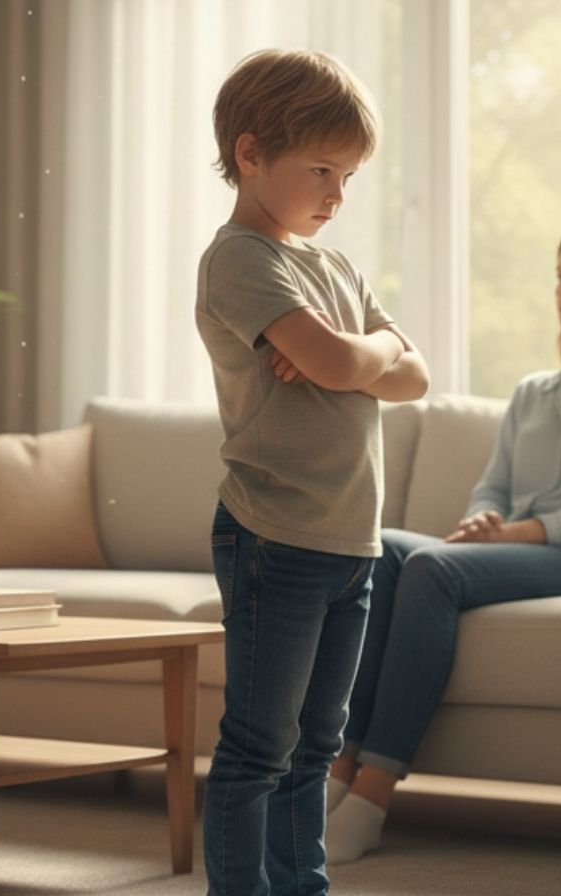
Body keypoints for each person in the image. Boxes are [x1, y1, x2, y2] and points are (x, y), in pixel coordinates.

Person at [323, 222, 561, 864]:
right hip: (514, 552)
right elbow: (493, 487)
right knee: (382, 547)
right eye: (560, 274)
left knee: (434, 570)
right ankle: (333, 777)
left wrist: (526, 530)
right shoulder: (533, 392)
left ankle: (373, 799)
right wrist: (484, 522)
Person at [195, 49, 431, 895]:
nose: (338, 194)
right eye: (323, 170)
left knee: (317, 749)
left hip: (349, 541)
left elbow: (415, 374)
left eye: (351, 175)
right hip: (274, 535)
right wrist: (364, 357)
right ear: (251, 154)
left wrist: (353, 357)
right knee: (260, 745)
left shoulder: (333, 269)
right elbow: (355, 364)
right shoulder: (241, 260)